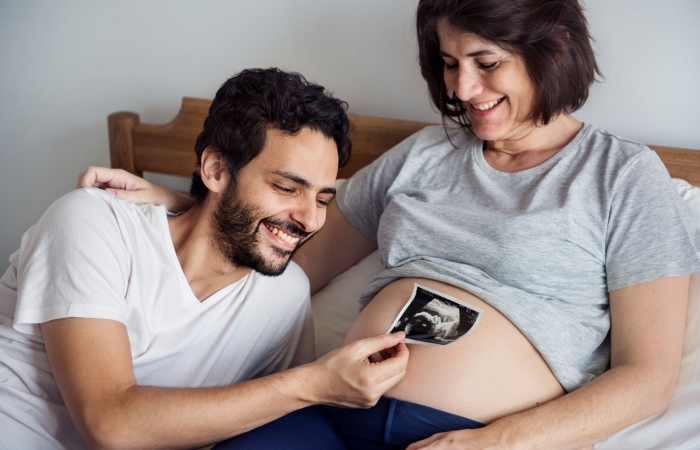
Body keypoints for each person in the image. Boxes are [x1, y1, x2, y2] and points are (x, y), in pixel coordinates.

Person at [78, 0, 700, 449]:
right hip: (327, 411)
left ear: (554, 46)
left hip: (480, 437)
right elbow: (295, 249)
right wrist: (182, 203)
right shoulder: (425, 155)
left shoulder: (623, 176)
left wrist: (495, 445)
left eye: (486, 63)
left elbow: (646, 379)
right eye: (450, 63)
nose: (463, 87)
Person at [0, 67, 409, 449]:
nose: (310, 219)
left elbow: (262, 417)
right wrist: (315, 383)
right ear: (215, 170)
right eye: (286, 188)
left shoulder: (284, 296)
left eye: (322, 198)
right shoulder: (92, 221)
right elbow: (109, 424)